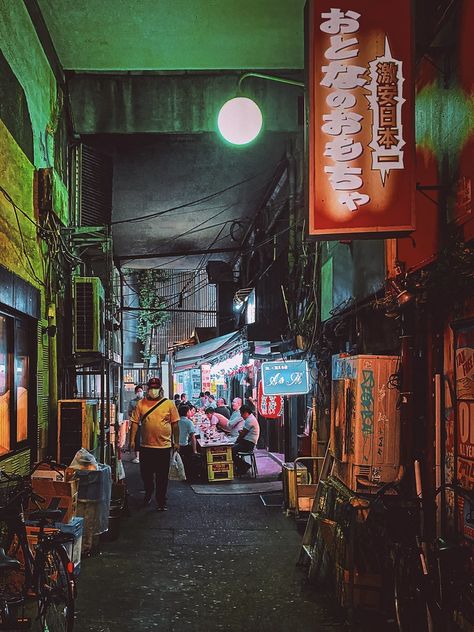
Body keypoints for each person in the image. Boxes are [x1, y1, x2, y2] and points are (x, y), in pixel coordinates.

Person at [130, 377, 180, 510]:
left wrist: (176, 441)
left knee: (162, 476)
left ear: (160, 389)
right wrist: (132, 440)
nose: (153, 390)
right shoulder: (141, 404)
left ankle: (161, 501)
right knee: (146, 474)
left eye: (156, 388)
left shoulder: (169, 404)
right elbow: (134, 423)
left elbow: (175, 424)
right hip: (146, 446)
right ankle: (148, 492)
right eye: (151, 388)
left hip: (164, 447)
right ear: (148, 389)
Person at [232, 404, 260, 476]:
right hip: (246, 442)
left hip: (248, 444)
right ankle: (242, 466)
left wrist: (236, 442)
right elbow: (244, 432)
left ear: (246, 413)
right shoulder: (250, 418)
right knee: (233, 448)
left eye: (241, 414)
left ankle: (244, 466)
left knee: (231, 451)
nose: (241, 416)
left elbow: (242, 435)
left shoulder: (250, 420)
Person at [178, 403, 198, 480]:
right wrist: (195, 450)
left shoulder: (176, 421)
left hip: (176, 445)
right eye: (190, 411)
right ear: (187, 413)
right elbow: (193, 437)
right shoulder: (189, 422)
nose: (190, 412)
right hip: (184, 446)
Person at [127, 385, 144, 463]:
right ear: (135, 392)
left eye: (141, 391)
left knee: (145, 439)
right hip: (136, 423)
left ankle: (144, 456)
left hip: (145, 423)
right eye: (138, 391)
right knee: (136, 439)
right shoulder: (132, 402)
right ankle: (137, 457)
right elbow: (129, 412)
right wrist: (135, 415)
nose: (139, 393)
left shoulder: (146, 401)